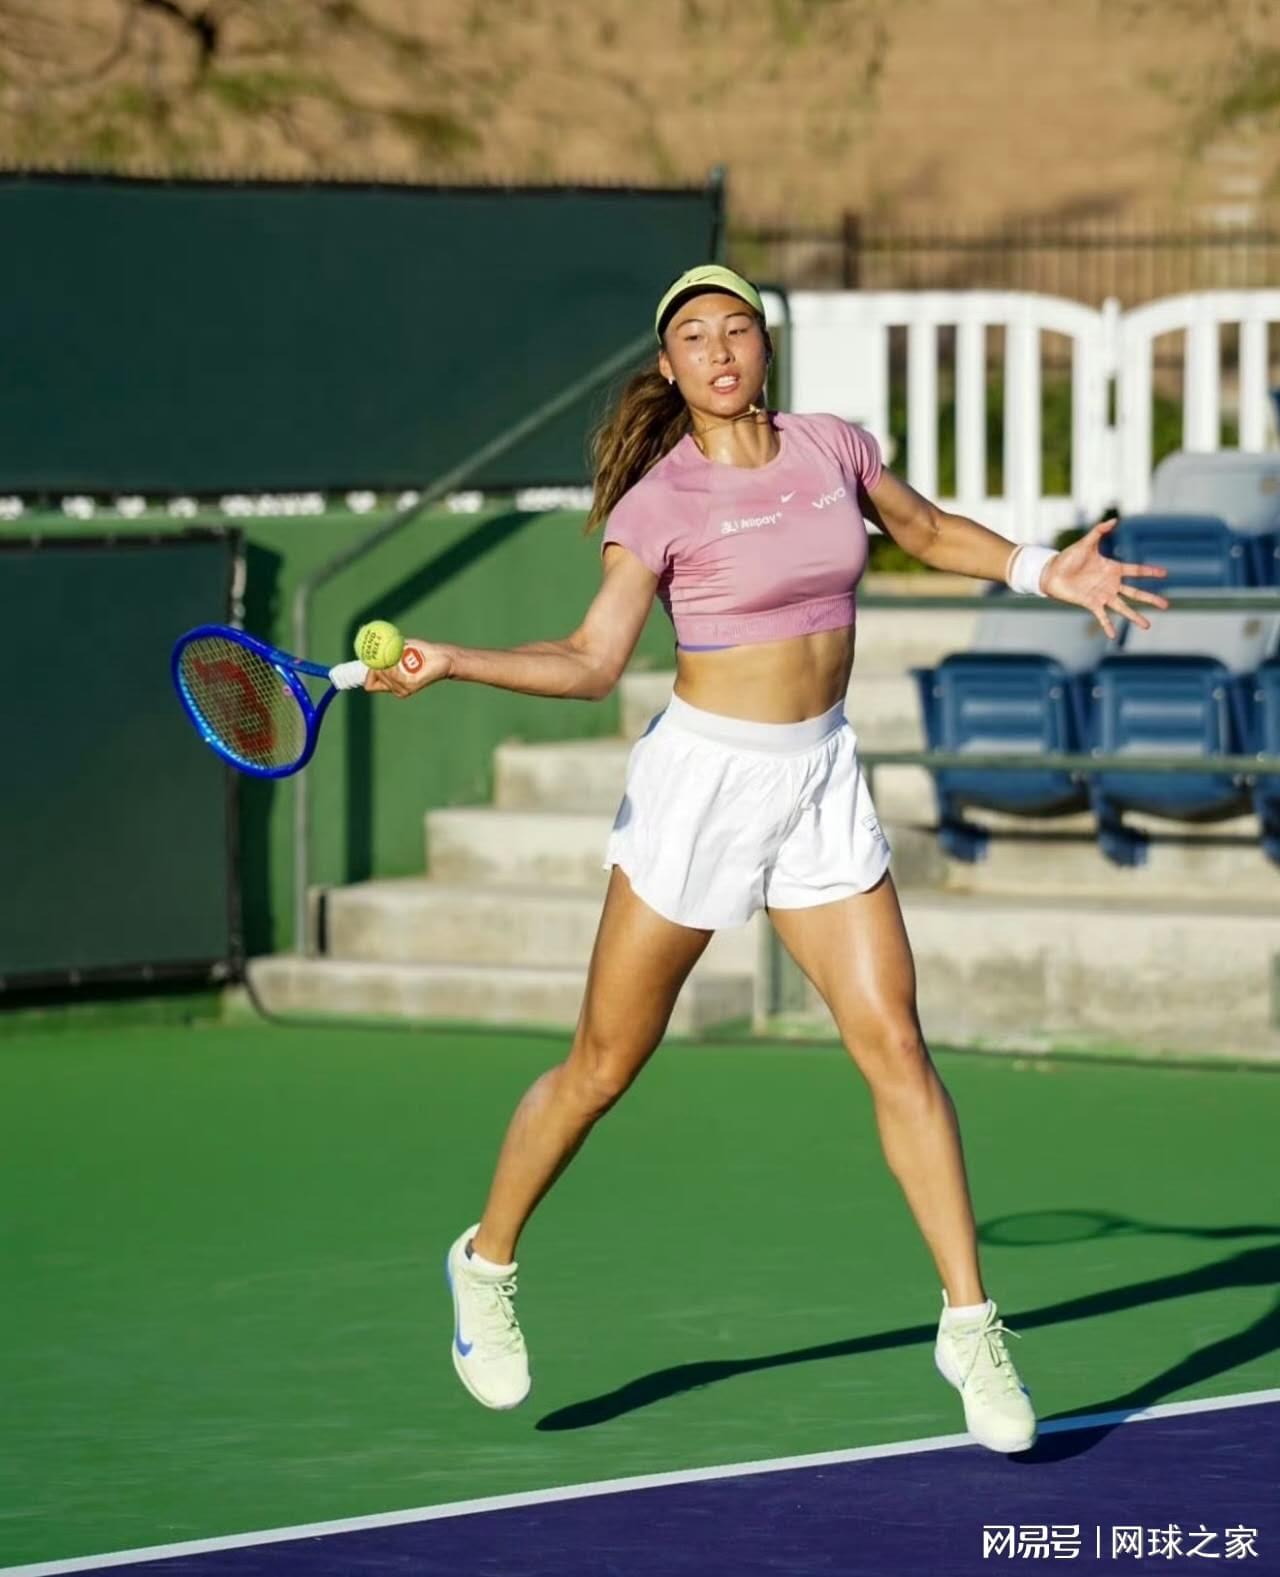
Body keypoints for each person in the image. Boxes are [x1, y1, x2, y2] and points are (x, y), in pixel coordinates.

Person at [365, 263, 1168, 1454]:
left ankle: (968, 1322)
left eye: (735, 327)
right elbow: (590, 659)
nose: (719, 349)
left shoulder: (830, 447)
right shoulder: (659, 501)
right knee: (601, 1064)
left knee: (895, 1044)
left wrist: (1040, 567)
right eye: (693, 335)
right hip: (702, 788)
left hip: (818, 779)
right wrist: (452, 659)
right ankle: (485, 1260)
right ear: (669, 367)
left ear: (762, 345)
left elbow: (923, 529)